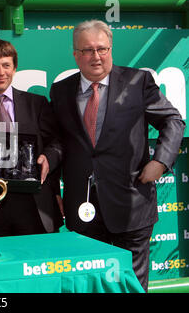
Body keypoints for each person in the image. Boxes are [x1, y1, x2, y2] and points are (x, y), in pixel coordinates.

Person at [49, 19, 185, 291]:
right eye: (87, 50)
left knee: (130, 284)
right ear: (75, 55)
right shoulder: (61, 91)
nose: (96, 56)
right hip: (83, 207)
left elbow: (173, 121)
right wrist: (54, 188)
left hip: (132, 203)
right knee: (89, 284)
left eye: (102, 48)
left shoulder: (139, 81)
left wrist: (160, 161)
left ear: (111, 49)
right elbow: (57, 142)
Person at [0, 39, 63, 237]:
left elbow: (56, 142)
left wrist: (48, 157)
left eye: (6, 65)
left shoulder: (37, 104)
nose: (1, 72)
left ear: (14, 68)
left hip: (35, 204)